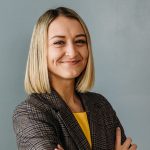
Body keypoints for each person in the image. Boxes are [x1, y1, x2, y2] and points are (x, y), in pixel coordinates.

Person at [13, 7, 137, 150]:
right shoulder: (29, 113)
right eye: (59, 42)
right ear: (41, 51)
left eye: (80, 41)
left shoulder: (101, 105)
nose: (72, 52)